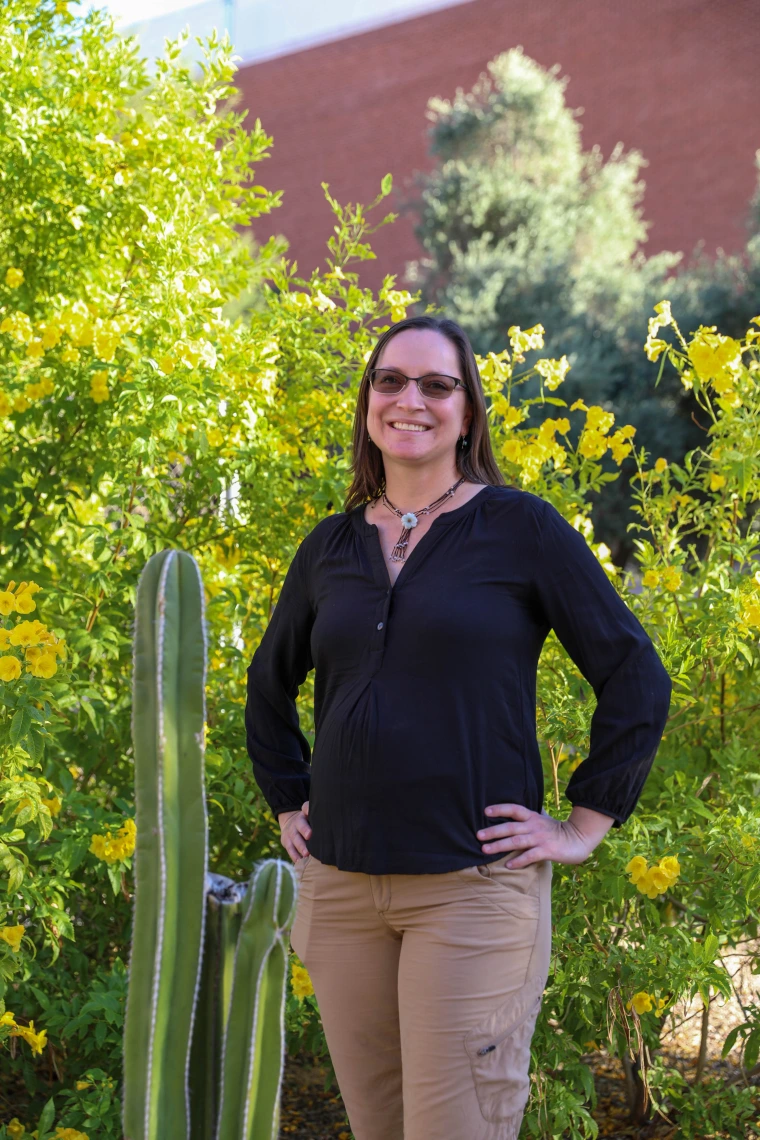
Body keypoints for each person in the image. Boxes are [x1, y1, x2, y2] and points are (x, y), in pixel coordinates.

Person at [245, 315, 672, 1140]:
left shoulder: (521, 528)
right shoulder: (329, 547)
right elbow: (269, 685)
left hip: (472, 890)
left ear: (468, 410)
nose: (412, 400)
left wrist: (584, 825)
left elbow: (633, 673)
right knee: (381, 1127)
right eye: (391, 381)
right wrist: (287, 799)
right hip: (341, 891)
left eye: (437, 385)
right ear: (368, 400)